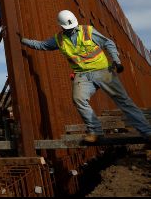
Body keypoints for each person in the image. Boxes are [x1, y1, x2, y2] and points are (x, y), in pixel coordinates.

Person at [20, 10, 151, 143]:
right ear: (61, 26)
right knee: (79, 99)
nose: (71, 29)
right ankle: (95, 132)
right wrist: (23, 41)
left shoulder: (87, 31)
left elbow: (108, 43)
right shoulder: (59, 39)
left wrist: (116, 61)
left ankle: (147, 132)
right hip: (82, 75)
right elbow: (42, 45)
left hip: (103, 72)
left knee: (124, 101)